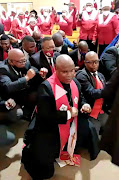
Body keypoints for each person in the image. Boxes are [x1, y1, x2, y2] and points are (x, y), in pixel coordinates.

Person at [21, 54, 93, 180]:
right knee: (45, 173)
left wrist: (85, 104)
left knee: (89, 129)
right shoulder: (46, 87)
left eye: (72, 70)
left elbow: (80, 97)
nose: (70, 75)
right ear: (56, 70)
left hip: (70, 122)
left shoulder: (74, 81)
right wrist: (69, 114)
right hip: (48, 128)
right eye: (65, 72)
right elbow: (45, 116)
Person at [0, 49, 41, 121]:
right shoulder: (3, 69)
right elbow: (8, 87)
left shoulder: (24, 61)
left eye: (24, 60)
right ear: (11, 62)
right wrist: (26, 78)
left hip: (21, 93)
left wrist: (41, 73)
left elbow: (32, 69)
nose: (24, 63)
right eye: (21, 61)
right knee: (17, 114)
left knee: (38, 94)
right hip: (8, 98)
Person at [76, 51, 108, 136]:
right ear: (85, 63)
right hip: (90, 112)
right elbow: (92, 93)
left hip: (102, 110)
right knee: (94, 140)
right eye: (91, 62)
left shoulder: (100, 75)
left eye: (96, 62)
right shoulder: (81, 75)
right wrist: (110, 88)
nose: (94, 65)